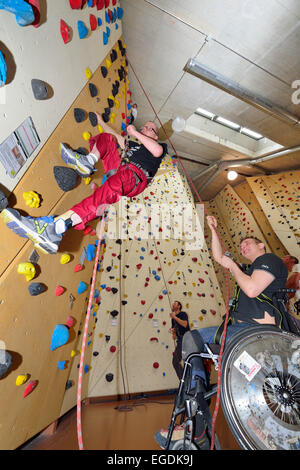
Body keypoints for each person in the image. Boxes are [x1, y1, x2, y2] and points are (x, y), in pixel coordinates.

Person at [155, 215, 289, 450]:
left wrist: (234, 266)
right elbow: (219, 258)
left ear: (261, 246)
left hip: (253, 333)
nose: (243, 246)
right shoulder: (248, 269)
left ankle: (196, 428)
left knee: (191, 338)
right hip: (242, 335)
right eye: (241, 245)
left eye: (248, 242)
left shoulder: (270, 260)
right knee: (199, 354)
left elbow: (251, 288)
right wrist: (213, 229)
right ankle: (196, 425)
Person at [0, 114, 168, 254]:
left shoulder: (158, 148)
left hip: (134, 176)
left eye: (149, 128)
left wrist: (135, 133)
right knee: (108, 139)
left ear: (155, 136)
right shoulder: (134, 146)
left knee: (102, 195)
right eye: (144, 127)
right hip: (120, 171)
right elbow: (114, 135)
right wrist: (102, 122)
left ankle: (53, 229)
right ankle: (88, 161)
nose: (144, 129)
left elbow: (157, 151)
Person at [170, 301, 190, 381]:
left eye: (174, 304)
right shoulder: (173, 319)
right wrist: (173, 333)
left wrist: (175, 318)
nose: (173, 305)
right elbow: (174, 328)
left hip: (186, 338)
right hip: (180, 340)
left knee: (186, 361)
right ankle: (184, 380)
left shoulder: (183, 314)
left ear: (179, 306)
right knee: (175, 361)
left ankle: (186, 380)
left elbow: (185, 324)